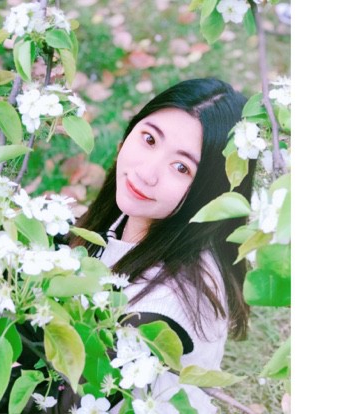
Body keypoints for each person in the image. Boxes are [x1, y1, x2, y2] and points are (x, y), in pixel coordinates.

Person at [70, 77, 257, 413]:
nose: (147, 172)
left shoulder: (163, 306)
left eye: (181, 167)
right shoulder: (135, 218)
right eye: (150, 139)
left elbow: (70, 399)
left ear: (210, 192)